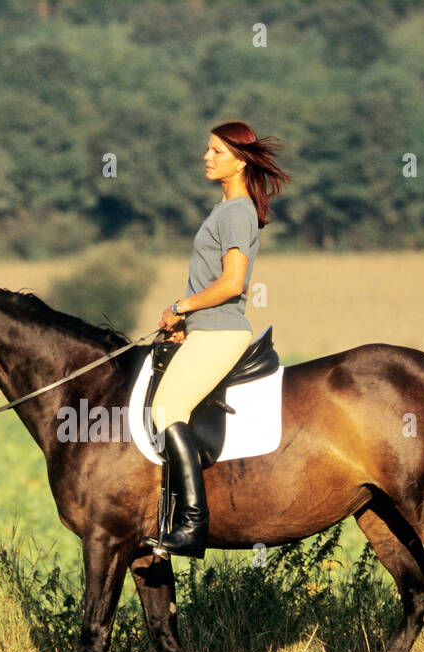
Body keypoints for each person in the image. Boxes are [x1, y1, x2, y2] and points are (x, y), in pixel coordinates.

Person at [147, 120, 290, 559]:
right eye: (208, 150)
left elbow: (232, 283)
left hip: (220, 331)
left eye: (217, 152)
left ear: (240, 160)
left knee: (166, 409)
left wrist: (183, 307)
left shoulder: (235, 211)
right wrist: (182, 321)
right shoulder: (225, 209)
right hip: (202, 329)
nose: (207, 157)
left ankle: (192, 522)